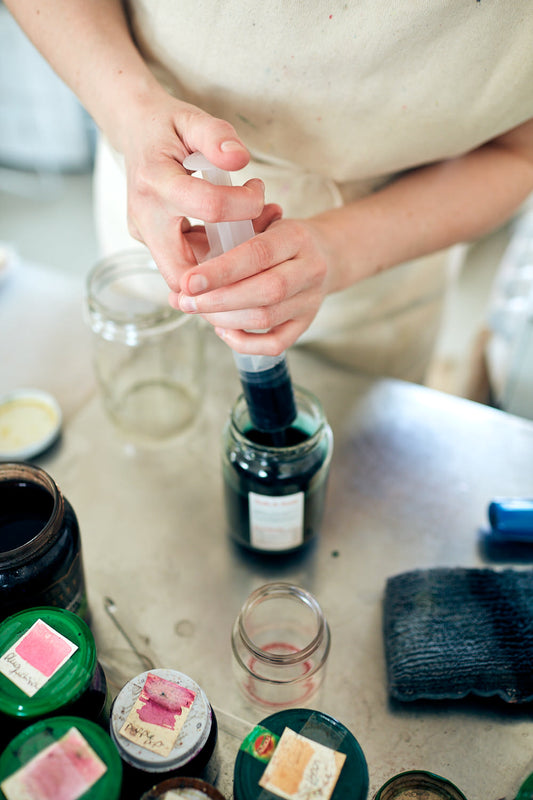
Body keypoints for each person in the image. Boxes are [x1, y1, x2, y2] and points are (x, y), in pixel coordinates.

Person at [6, 0, 533, 382]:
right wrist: (127, 111)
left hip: (396, 249)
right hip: (161, 199)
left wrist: (339, 248)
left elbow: (520, 152)